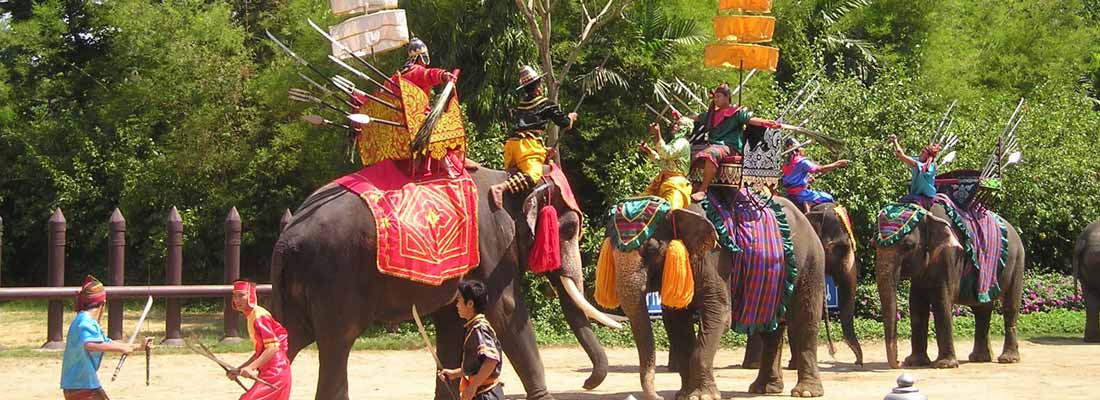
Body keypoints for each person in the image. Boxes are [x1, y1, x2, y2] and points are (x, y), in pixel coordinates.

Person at [489, 65, 577, 208]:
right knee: (533, 176)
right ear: (538, 87)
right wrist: (571, 117)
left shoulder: (521, 106)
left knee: (515, 174)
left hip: (512, 146)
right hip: (527, 147)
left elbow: (526, 128)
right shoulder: (545, 104)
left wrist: (543, 151)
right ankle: (501, 188)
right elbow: (565, 123)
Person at [60, 275, 149, 400]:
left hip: (83, 384)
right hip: (81, 385)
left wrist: (138, 347)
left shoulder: (86, 321)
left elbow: (106, 342)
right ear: (103, 304)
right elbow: (90, 345)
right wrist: (122, 349)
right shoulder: (85, 321)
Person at [689, 83, 782, 201]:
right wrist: (682, 118)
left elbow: (750, 119)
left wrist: (766, 122)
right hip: (711, 145)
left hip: (728, 146)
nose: (716, 99)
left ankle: (703, 190)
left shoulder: (736, 113)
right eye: (715, 97)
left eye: (718, 96)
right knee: (689, 150)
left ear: (727, 97)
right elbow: (696, 118)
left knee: (711, 153)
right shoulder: (711, 114)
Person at [438, 281, 504, 400]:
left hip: (486, 395)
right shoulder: (474, 327)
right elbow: (476, 366)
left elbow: (491, 360)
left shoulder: (480, 328)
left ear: (470, 303)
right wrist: (455, 374)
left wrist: (473, 387)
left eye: (459, 300)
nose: (457, 305)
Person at [228, 279, 292, 400]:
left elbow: (273, 348)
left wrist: (251, 367)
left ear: (251, 295)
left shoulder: (259, 316)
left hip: (275, 371)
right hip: (270, 370)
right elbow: (261, 352)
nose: (237, 300)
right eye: (235, 296)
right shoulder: (251, 316)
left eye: (241, 295)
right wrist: (239, 369)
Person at [781, 137, 849, 212]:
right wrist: (837, 164)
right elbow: (820, 169)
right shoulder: (802, 162)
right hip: (800, 194)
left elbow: (791, 179)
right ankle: (809, 203)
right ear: (795, 147)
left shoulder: (786, 163)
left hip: (790, 193)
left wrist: (807, 180)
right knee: (828, 197)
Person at [385, 37, 456, 107]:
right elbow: (428, 74)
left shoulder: (401, 73)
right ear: (421, 58)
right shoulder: (416, 70)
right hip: (417, 112)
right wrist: (443, 75)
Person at [640, 116, 693, 209]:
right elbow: (662, 162)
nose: (675, 125)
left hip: (675, 184)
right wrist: (648, 150)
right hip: (662, 181)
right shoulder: (674, 142)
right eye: (675, 123)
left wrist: (657, 133)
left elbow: (666, 153)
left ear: (686, 128)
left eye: (679, 124)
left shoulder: (682, 142)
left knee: (670, 211)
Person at [889, 134, 940, 209]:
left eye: (923, 152)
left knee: (906, 200)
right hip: (916, 195)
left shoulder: (930, 167)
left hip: (926, 198)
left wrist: (895, 141)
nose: (920, 154)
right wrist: (895, 142)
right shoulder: (918, 160)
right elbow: (901, 155)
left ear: (927, 156)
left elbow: (902, 155)